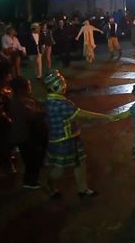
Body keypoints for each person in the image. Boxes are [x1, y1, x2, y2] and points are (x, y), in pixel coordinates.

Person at [43, 69, 112, 198]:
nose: (64, 86)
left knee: (80, 162)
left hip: (70, 136)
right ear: (54, 86)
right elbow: (82, 114)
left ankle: (83, 189)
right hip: (62, 140)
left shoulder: (52, 99)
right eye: (61, 83)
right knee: (59, 169)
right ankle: (49, 185)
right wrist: (106, 117)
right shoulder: (60, 103)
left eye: (63, 82)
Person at [10, 76, 48, 188]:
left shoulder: (22, 99)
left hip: (27, 136)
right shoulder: (20, 103)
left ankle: (32, 176)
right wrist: (45, 112)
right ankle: (30, 182)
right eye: (28, 85)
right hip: (25, 137)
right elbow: (33, 116)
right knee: (31, 160)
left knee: (33, 158)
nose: (30, 87)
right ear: (22, 89)